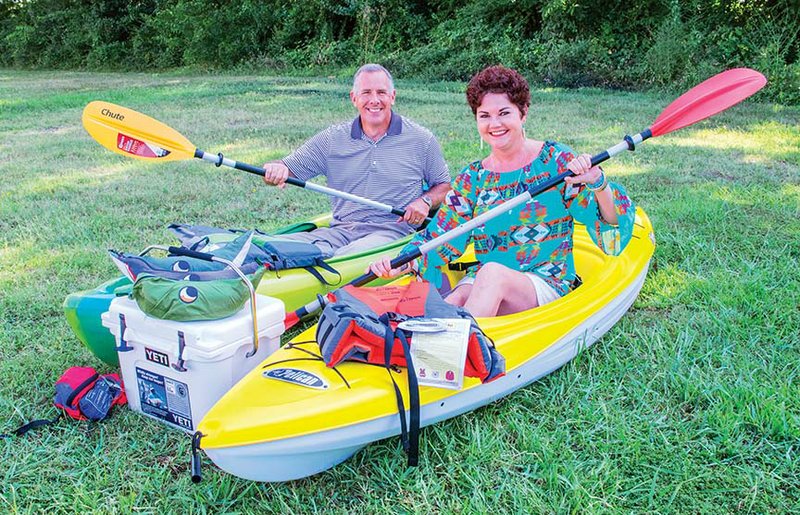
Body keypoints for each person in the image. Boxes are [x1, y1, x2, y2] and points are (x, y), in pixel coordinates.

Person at [369, 65, 635, 317]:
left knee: (491, 275)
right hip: (485, 280)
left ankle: (459, 348)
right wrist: (402, 263)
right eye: (484, 116)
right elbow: (441, 236)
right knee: (457, 298)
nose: (494, 124)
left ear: (523, 112)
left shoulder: (556, 162)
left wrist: (597, 181)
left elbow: (610, 221)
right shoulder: (473, 179)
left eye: (504, 113)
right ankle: (419, 342)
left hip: (544, 279)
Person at [262, 63, 452, 257]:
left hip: (390, 233)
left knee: (341, 258)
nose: (374, 100)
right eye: (366, 93)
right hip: (340, 232)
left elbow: (444, 187)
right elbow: (286, 169)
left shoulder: (421, 139)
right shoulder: (331, 139)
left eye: (381, 92)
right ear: (354, 98)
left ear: (392, 96)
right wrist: (276, 170)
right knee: (268, 246)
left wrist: (425, 201)